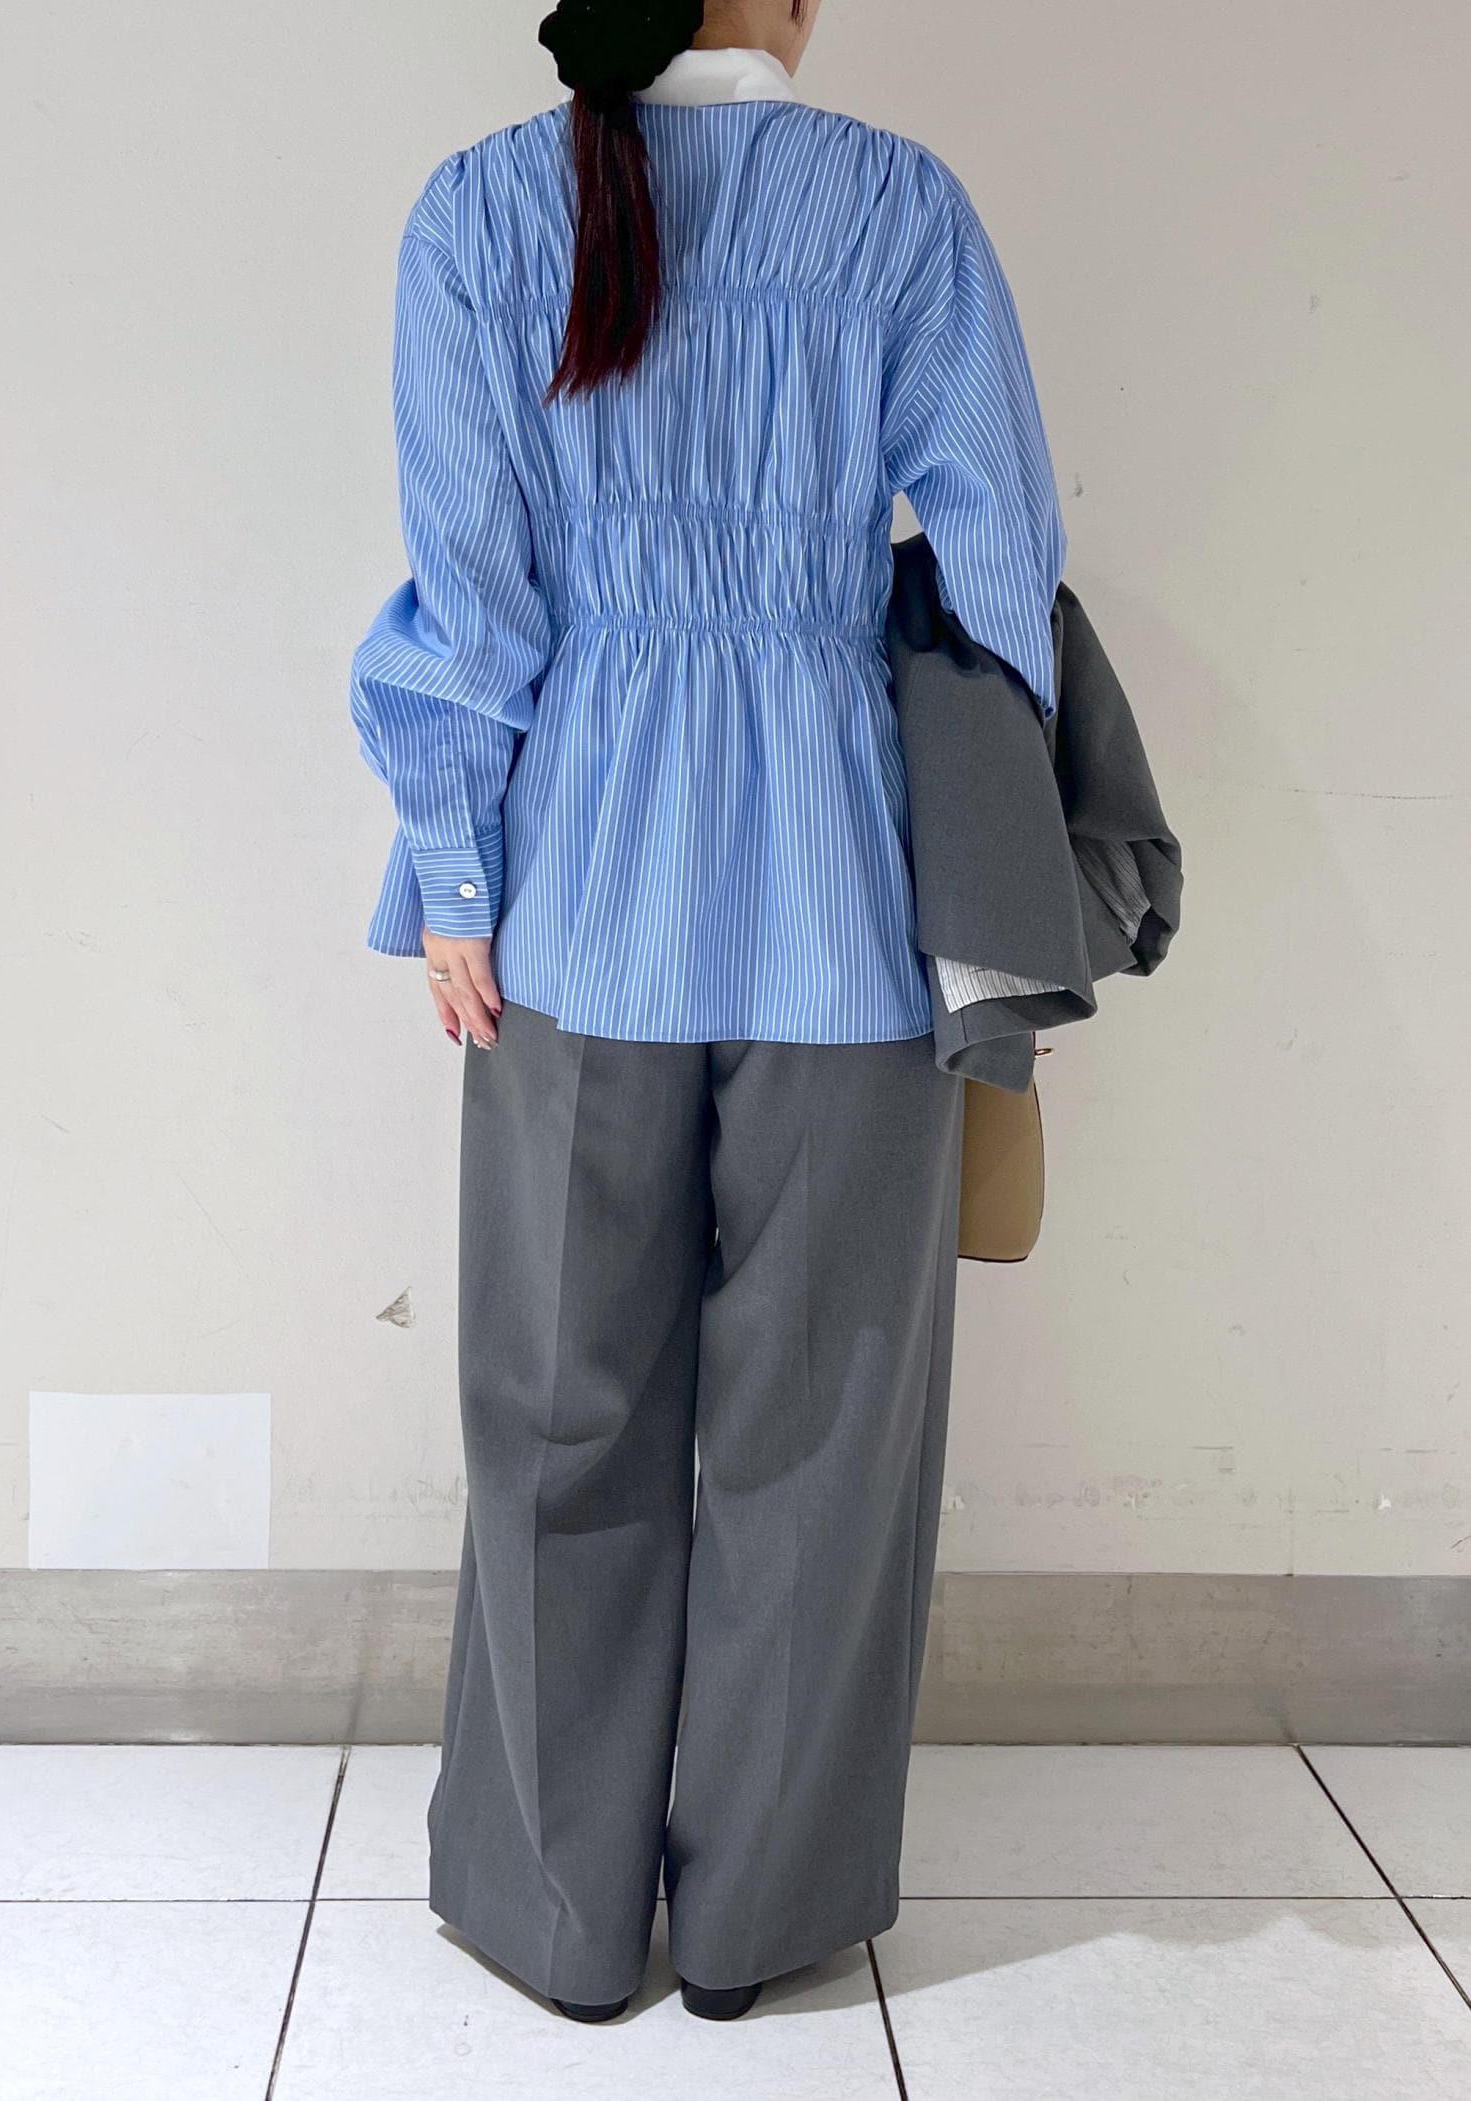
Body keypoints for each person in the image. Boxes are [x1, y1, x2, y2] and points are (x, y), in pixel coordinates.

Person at [349, 0, 1066, 2028]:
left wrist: (456, 871)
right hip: (847, 909)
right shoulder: (896, 209)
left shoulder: (484, 212)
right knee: (822, 1431)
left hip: (572, 910)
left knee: (554, 1408)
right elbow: (1005, 568)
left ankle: (558, 1919)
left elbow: (470, 586)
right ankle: (761, 1921)